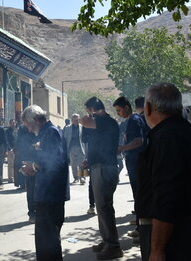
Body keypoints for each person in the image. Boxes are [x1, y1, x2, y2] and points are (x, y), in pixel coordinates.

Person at [136, 83, 191, 261]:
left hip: (176, 238)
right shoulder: (188, 133)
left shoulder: (166, 138)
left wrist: (157, 250)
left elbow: (166, 197)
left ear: (148, 107)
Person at [21, 105, 69, 261]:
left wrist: (33, 166)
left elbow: (55, 162)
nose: (28, 130)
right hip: (45, 194)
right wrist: (33, 165)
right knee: (45, 240)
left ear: (35, 120)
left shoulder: (51, 132)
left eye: (28, 125)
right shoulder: (44, 133)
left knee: (48, 241)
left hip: (51, 195)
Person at [80, 97, 123, 260]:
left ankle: (113, 246)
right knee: (102, 207)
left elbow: (84, 121)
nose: (88, 115)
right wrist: (89, 160)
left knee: (104, 207)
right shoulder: (102, 122)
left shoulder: (107, 122)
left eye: (89, 110)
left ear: (93, 109)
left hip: (105, 168)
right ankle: (107, 241)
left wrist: (90, 116)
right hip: (99, 166)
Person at [113, 97, 146, 229]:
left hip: (137, 162)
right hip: (133, 162)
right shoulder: (131, 120)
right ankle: (140, 225)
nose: (118, 113)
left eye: (119, 110)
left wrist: (123, 148)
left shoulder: (135, 120)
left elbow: (139, 141)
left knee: (140, 195)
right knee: (137, 194)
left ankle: (141, 228)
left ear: (127, 107)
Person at [16, 117, 38, 222]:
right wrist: (22, 164)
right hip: (28, 161)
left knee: (39, 188)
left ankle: (39, 211)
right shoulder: (22, 129)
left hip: (39, 161)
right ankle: (32, 213)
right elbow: (19, 146)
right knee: (30, 189)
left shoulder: (39, 127)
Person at [64, 113, 86, 184]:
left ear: (79, 119)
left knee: (81, 164)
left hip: (80, 148)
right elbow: (65, 138)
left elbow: (85, 139)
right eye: (74, 120)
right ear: (72, 120)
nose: (76, 121)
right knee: (73, 164)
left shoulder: (82, 127)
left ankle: (82, 177)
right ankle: (76, 178)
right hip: (71, 148)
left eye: (77, 120)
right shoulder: (67, 128)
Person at [5, 118, 18, 183]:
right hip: (11, 150)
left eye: (14, 122)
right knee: (10, 164)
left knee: (17, 164)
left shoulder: (17, 130)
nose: (13, 124)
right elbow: (6, 141)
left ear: (15, 123)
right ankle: (10, 178)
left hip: (17, 150)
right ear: (10, 124)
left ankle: (16, 177)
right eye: (11, 123)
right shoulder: (7, 131)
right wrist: (9, 149)